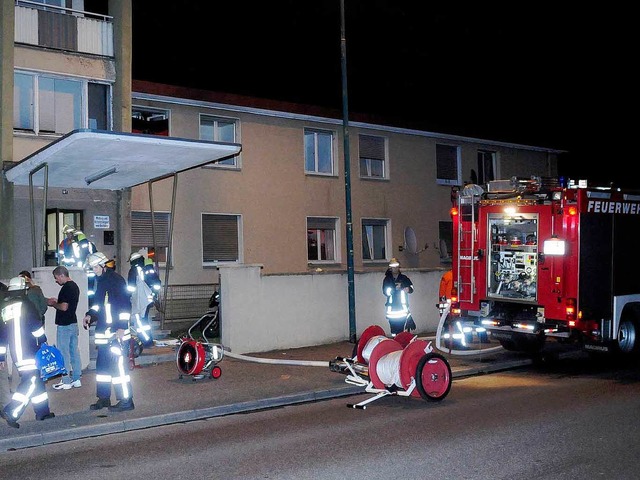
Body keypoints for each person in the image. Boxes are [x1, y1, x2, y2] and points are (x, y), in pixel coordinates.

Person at [83, 252, 135, 412]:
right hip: (104, 334)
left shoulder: (116, 281)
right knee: (103, 368)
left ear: (103, 265)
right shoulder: (100, 282)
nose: (94, 271)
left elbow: (125, 305)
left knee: (119, 369)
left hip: (116, 334)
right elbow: (99, 304)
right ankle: (103, 398)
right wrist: (90, 314)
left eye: (95, 268)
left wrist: (121, 326)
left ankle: (126, 401)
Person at [0, 277, 55, 428]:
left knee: (37, 380)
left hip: (16, 352)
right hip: (30, 350)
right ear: (23, 289)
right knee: (31, 381)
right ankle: (12, 411)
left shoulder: (6, 307)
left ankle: (43, 412)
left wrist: (1, 356)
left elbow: (3, 334)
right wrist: (44, 342)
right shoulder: (26, 304)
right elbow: (36, 327)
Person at [47, 266, 82, 390]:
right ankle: (77, 379)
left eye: (56, 278)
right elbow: (68, 304)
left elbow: (64, 307)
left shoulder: (66, 288)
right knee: (74, 352)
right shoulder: (75, 286)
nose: (56, 281)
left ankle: (66, 380)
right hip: (73, 322)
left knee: (63, 353)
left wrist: (53, 304)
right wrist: (59, 301)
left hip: (64, 325)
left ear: (61, 275)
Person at [127, 251, 161, 347]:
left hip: (140, 300)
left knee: (140, 321)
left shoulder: (134, 270)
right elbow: (156, 283)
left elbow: (131, 287)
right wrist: (154, 294)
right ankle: (147, 340)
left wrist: (127, 296)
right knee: (144, 320)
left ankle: (145, 341)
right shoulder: (147, 268)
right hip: (148, 299)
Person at [382, 258, 416, 336]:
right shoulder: (387, 279)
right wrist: (394, 289)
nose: (395, 268)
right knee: (394, 332)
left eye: (397, 266)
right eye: (393, 267)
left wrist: (408, 289)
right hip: (392, 311)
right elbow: (385, 292)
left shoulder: (404, 278)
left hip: (403, 311)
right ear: (390, 268)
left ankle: (401, 344)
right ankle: (395, 343)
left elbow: (411, 288)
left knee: (402, 332)